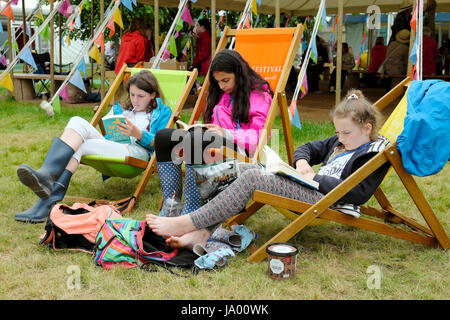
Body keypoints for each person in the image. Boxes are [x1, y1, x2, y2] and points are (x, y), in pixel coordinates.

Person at [146, 89, 391, 250]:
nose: (340, 137)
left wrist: (316, 178)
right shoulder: (340, 142)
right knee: (240, 168)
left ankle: (187, 222)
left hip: (324, 198)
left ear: (368, 128)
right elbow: (306, 149)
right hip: (309, 186)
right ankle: (202, 231)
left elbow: (359, 193)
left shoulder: (372, 153)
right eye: (338, 132)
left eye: (346, 133)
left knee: (253, 176)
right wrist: (302, 164)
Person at [14, 70, 172, 223]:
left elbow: (162, 141)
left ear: (153, 95)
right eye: (132, 95)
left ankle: (46, 198)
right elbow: (108, 132)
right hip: (115, 147)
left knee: (80, 145)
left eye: (141, 96)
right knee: (76, 121)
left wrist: (139, 134)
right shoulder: (121, 109)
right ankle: (46, 179)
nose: (135, 100)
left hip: (138, 153)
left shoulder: (163, 112)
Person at [154, 49, 273, 218]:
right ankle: (170, 206)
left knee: (195, 141)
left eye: (226, 80)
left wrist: (226, 133)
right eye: (218, 82)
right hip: (217, 147)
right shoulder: (225, 94)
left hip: (242, 153)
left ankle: (192, 211)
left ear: (240, 74)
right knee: (164, 137)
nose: (222, 86)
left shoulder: (259, 96)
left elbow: (258, 137)